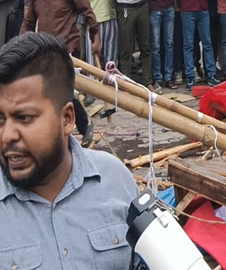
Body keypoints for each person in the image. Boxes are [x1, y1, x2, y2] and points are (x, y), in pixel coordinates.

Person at [0, 33, 138, 268]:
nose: (7, 135)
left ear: (66, 119)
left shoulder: (116, 180)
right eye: (0, 119)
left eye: (24, 118)